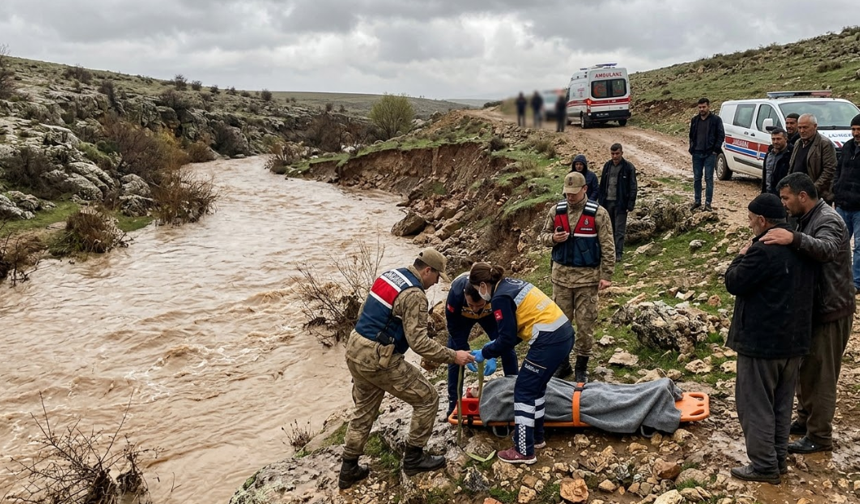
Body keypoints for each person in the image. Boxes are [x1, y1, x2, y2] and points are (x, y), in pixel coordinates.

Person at [339, 248, 475, 489]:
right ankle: (414, 458)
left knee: (364, 410)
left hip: (355, 349)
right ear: (427, 270)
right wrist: (454, 356)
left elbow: (364, 313)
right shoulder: (415, 294)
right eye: (436, 278)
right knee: (428, 398)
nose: (435, 284)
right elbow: (419, 342)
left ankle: (348, 468)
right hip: (379, 359)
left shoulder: (389, 276)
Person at [761, 173, 856, 454]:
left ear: (803, 196)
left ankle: (820, 436)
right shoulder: (807, 217)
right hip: (815, 310)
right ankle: (804, 421)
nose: (784, 204)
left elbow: (826, 249)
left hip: (831, 312)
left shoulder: (828, 219)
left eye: (786, 198)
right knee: (806, 370)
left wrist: (793, 237)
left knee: (821, 376)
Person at [725, 193, 815, 485]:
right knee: (781, 404)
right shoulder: (799, 244)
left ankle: (764, 466)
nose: (750, 226)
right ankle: (777, 459)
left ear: (762, 220)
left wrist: (740, 255)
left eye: (751, 221)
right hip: (794, 342)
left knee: (755, 405)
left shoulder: (762, 249)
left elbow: (734, 282)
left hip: (761, 343)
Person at [467, 262, 574, 465]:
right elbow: (515, 331)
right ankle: (537, 436)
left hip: (549, 341)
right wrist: (493, 347)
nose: (479, 296)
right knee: (537, 387)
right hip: (563, 334)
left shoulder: (499, 298)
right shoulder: (511, 285)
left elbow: (506, 339)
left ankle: (524, 451)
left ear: (482, 285)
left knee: (523, 391)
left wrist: (485, 352)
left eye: (477, 291)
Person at [540, 171, 614, 381]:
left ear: (584, 190)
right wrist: (553, 238)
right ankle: (563, 365)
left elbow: (608, 246)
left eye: (574, 193)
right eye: (567, 193)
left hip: (587, 280)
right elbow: (543, 236)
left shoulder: (598, 214)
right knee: (560, 325)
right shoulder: (556, 211)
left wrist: (606, 274)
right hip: (561, 279)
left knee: (585, 324)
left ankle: (581, 367)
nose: (570, 197)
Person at [444, 273, 518, 417]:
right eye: (472, 304)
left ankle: (515, 394)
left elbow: (505, 334)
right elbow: (453, 326)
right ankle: (454, 403)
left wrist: (493, 354)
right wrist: (463, 349)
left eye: (479, 305)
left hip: (489, 315)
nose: (475, 309)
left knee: (506, 348)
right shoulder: (456, 294)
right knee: (455, 354)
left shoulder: (495, 293)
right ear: (465, 295)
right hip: (462, 318)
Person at [833, 113, 860, 291]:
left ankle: (856, 282)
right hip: (843, 204)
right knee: (839, 244)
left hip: (859, 209)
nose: (855, 133)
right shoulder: (848, 146)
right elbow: (838, 171)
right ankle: (838, 279)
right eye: (853, 129)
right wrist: (836, 191)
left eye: (858, 129)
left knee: (859, 247)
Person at [597, 143, 637, 261]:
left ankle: (618, 253)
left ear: (622, 153)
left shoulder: (628, 167)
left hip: (621, 203)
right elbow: (603, 184)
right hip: (607, 202)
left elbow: (633, 186)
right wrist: (601, 201)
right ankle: (609, 252)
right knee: (609, 229)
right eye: (613, 154)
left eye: (617, 153)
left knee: (619, 229)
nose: (615, 156)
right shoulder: (607, 166)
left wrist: (630, 204)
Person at [788, 113, 837, 203]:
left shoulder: (824, 144)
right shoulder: (798, 143)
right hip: (796, 192)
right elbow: (792, 165)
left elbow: (829, 170)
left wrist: (813, 188)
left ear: (815, 126)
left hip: (816, 196)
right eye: (800, 127)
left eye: (805, 127)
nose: (802, 131)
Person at [688, 97, 725, 211]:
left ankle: (708, 203)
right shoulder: (695, 120)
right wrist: (692, 148)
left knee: (709, 178)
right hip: (697, 153)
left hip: (710, 154)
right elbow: (691, 135)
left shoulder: (716, 120)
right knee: (697, 178)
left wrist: (715, 149)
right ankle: (697, 201)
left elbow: (721, 135)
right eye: (700, 107)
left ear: (708, 106)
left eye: (704, 107)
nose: (702, 109)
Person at [761, 127, 793, 195]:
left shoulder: (791, 154)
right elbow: (766, 174)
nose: (775, 142)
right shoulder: (769, 154)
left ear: (785, 138)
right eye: (773, 139)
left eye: (778, 139)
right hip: (767, 193)